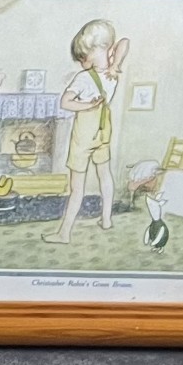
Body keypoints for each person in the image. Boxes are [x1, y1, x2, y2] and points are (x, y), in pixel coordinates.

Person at [45, 18, 130, 245]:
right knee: (105, 175)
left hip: (85, 133)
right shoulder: (112, 73)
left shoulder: (84, 78)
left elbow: (65, 102)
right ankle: (106, 219)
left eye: (83, 57)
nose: (81, 62)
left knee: (77, 187)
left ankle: (64, 234)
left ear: (93, 52)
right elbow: (124, 42)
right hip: (103, 130)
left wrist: (86, 106)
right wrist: (115, 64)